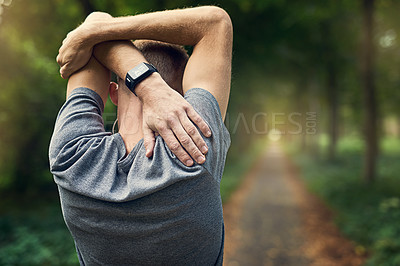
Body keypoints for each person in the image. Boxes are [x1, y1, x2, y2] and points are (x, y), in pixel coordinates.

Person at [49, 6, 232, 265]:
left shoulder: (71, 157)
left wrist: (146, 85)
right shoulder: (196, 146)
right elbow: (216, 22)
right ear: (183, 97)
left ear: (112, 93)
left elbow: (94, 24)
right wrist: (155, 89)